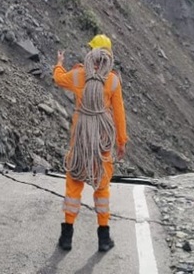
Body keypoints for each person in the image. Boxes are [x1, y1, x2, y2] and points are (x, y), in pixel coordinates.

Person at [53, 34, 128, 252]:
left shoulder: (78, 75)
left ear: (92, 52)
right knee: (102, 187)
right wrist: (121, 142)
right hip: (102, 144)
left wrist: (59, 63)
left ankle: (66, 236)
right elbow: (119, 114)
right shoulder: (113, 81)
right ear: (108, 55)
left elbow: (58, 79)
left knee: (74, 184)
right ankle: (104, 238)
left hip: (80, 142)